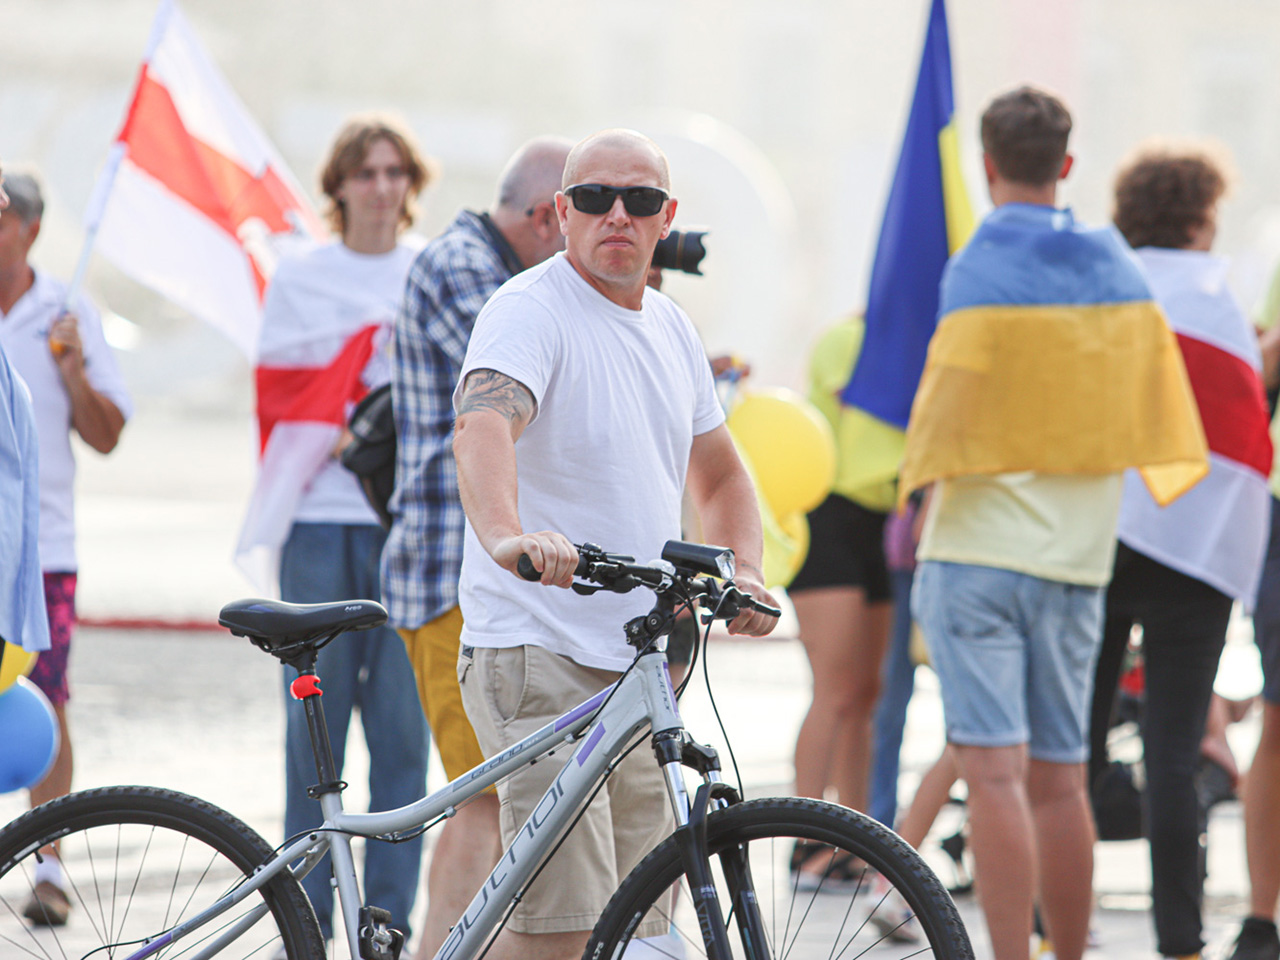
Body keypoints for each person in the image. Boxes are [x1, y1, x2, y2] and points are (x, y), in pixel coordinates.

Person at [451, 128, 779, 960]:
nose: (618, 215)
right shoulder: (529, 309)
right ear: (562, 212)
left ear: (667, 217)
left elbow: (721, 475)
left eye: (640, 199)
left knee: (641, 926)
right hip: (537, 647)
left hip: (638, 667)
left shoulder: (670, 327)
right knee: (565, 926)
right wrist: (507, 535)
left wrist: (746, 571)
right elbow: (484, 423)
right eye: (595, 198)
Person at [900, 87, 1207, 960]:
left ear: (987, 165)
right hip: (1075, 562)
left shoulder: (975, 267)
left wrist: (914, 499)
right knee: (1062, 781)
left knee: (993, 776)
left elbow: (942, 413)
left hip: (974, 554)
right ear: (1066, 165)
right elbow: (1157, 404)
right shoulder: (1119, 270)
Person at [379, 134, 572, 958]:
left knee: (503, 796)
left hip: (479, 575)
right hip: (448, 574)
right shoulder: (465, 269)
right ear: (545, 217)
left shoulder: (491, 265)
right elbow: (533, 384)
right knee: (486, 796)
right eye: (580, 213)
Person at [247, 116, 431, 944]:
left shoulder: (429, 270)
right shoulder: (301, 277)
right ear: (340, 187)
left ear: (411, 184)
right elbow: (281, 393)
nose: (382, 187)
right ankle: (305, 919)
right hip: (319, 523)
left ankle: (386, 923)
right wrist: (351, 385)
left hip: (406, 528)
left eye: (396, 172)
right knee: (311, 737)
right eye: (366, 172)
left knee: (402, 735)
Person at [1086, 143, 1271, 960]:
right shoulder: (1217, 300)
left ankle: (1061, 921)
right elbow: (1241, 430)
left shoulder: (1105, 286)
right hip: (1194, 548)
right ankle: (1181, 940)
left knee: (1075, 743)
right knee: (1171, 751)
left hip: (1099, 537)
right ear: (1200, 217)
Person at [0, 170, 131, 927]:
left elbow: (108, 435)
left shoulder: (68, 312)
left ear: (32, 229)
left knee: (44, 698)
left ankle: (48, 868)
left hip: (40, 548)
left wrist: (73, 373)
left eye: (2, 215)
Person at [786, 316, 895, 880]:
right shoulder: (850, 337)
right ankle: (806, 840)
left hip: (886, 516)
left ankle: (856, 841)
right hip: (827, 512)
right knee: (834, 689)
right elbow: (872, 412)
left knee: (867, 694)